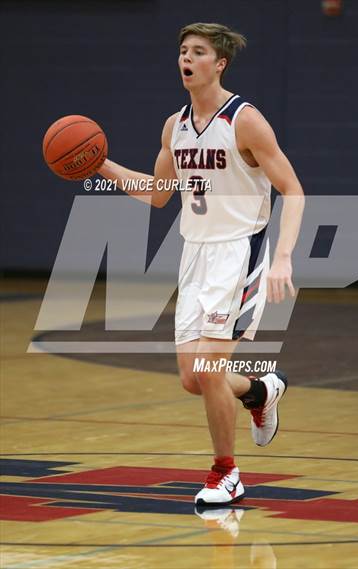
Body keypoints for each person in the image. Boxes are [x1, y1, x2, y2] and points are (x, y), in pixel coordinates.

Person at [99, 22, 305, 506]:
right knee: (195, 379)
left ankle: (226, 474)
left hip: (238, 253)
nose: (186, 59)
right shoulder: (174, 126)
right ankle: (259, 392)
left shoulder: (244, 120)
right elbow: (158, 194)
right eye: (183, 51)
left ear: (220, 64)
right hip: (194, 255)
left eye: (197, 52)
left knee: (209, 370)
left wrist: (283, 258)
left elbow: (293, 190)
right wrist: (101, 166)